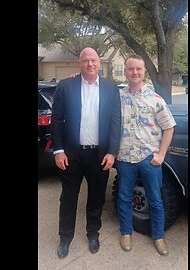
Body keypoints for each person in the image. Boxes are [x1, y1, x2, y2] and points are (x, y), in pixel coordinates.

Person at [50, 47, 121, 259]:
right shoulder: (66, 86)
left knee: (97, 198)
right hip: (71, 155)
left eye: (93, 60)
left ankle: (93, 234)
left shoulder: (111, 88)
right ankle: (65, 238)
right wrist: (58, 150)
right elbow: (56, 119)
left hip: (99, 156)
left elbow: (116, 122)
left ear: (99, 63)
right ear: (79, 63)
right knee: (68, 198)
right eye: (85, 61)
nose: (90, 64)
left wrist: (112, 152)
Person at [115, 55, 176, 256]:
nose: (135, 72)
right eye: (131, 69)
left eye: (139, 69)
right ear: (125, 71)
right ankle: (126, 232)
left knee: (156, 199)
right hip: (124, 158)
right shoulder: (117, 98)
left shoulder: (155, 99)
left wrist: (161, 155)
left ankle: (158, 236)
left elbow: (169, 128)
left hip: (149, 160)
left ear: (144, 72)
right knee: (124, 197)